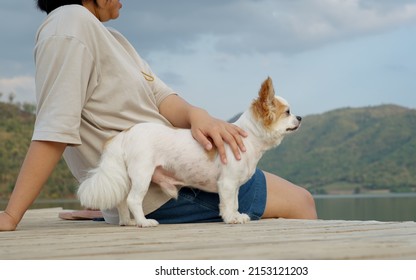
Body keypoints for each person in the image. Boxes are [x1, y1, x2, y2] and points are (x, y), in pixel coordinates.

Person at [0, 0, 317, 231]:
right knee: (302, 201)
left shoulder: (112, 39)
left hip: (160, 177)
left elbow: (160, 96)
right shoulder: (69, 24)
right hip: (170, 189)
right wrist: (12, 215)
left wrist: (197, 114)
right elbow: (55, 128)